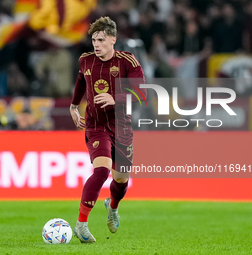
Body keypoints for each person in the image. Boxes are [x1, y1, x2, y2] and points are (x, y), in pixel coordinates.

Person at [70, 16, 146, 243]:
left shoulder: (128, 62)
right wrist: (74, 106)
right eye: (93, 39)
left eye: (101, 39)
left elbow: (142, 94)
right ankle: (81, 224)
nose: (96, 44)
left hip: (121, 127)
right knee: (101, 171)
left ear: (113, 39)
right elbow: (81, 82)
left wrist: (116, 98)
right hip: (96, 126)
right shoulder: (85, 61)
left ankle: (112, 207)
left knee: (121, 180)